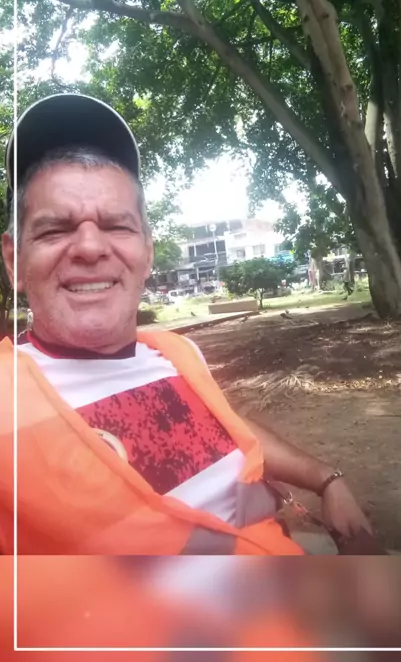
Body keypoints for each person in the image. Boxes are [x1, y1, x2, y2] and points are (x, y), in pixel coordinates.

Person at [0, 93, 372, 556]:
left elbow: (224, 424)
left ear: (147, 253)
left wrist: (327, 479)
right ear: (14, 261)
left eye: (116, 226)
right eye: (55, 229)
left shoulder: (174, 352)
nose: (91, 248)